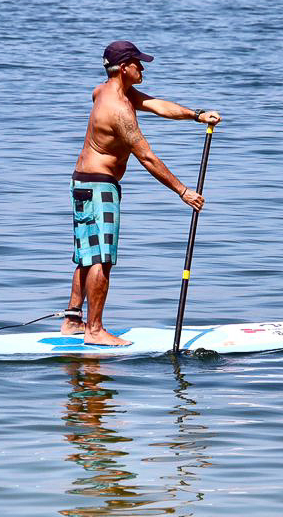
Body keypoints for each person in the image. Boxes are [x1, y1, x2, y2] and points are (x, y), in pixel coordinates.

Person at [59, 40, 221, 345]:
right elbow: (147, 157)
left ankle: (72, 321)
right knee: (101, 260)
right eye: (138, 63)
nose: (143, 68)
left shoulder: (105, 91)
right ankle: (94, 331)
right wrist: (183, 191)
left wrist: (196, 115)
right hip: (99, 188)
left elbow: (156, 105)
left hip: (82, 182)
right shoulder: (119, 110)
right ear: (124, 68)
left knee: (86, 254)